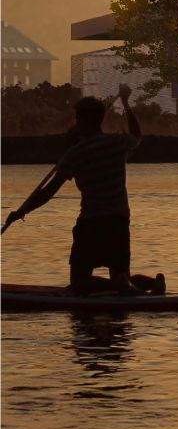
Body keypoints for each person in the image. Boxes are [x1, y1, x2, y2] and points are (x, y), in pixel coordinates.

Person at [3, 84, 164, 295]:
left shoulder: (76, 153)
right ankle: (151, 284)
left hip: (92, 222)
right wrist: (125, 102)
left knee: (78, 284)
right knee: (120, 274)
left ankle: (120, 286)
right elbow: (137, 134)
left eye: (77, 119)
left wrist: (21, 212)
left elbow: (49, 191)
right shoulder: (116, 143)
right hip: (118, 219)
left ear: (82, 121)